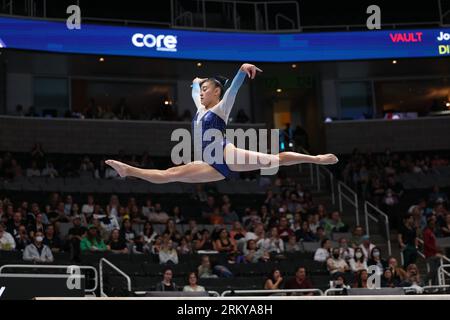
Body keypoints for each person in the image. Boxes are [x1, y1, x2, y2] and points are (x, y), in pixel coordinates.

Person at [105, 63, 338, 184]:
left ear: (217, 92)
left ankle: (315, 159)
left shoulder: (220, 108)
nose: (202, 93)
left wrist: (240, 71)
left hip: (227, 156)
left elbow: (233, 90)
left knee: (275, 159)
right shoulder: (200, 109)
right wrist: (197, 83)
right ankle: (128, 171)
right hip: (212, 166)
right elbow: (196, 90)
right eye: (202, 91)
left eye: (208, 89)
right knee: (171, 174)